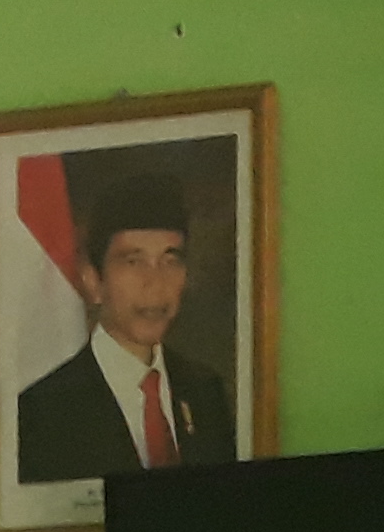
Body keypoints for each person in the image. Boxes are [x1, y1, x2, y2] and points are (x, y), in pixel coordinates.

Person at [15, 170, 236, 484]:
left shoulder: (205, 392)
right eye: (133, 261)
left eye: (171, 261)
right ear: (93, 280)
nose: (155, 283)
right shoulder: (43, 413)